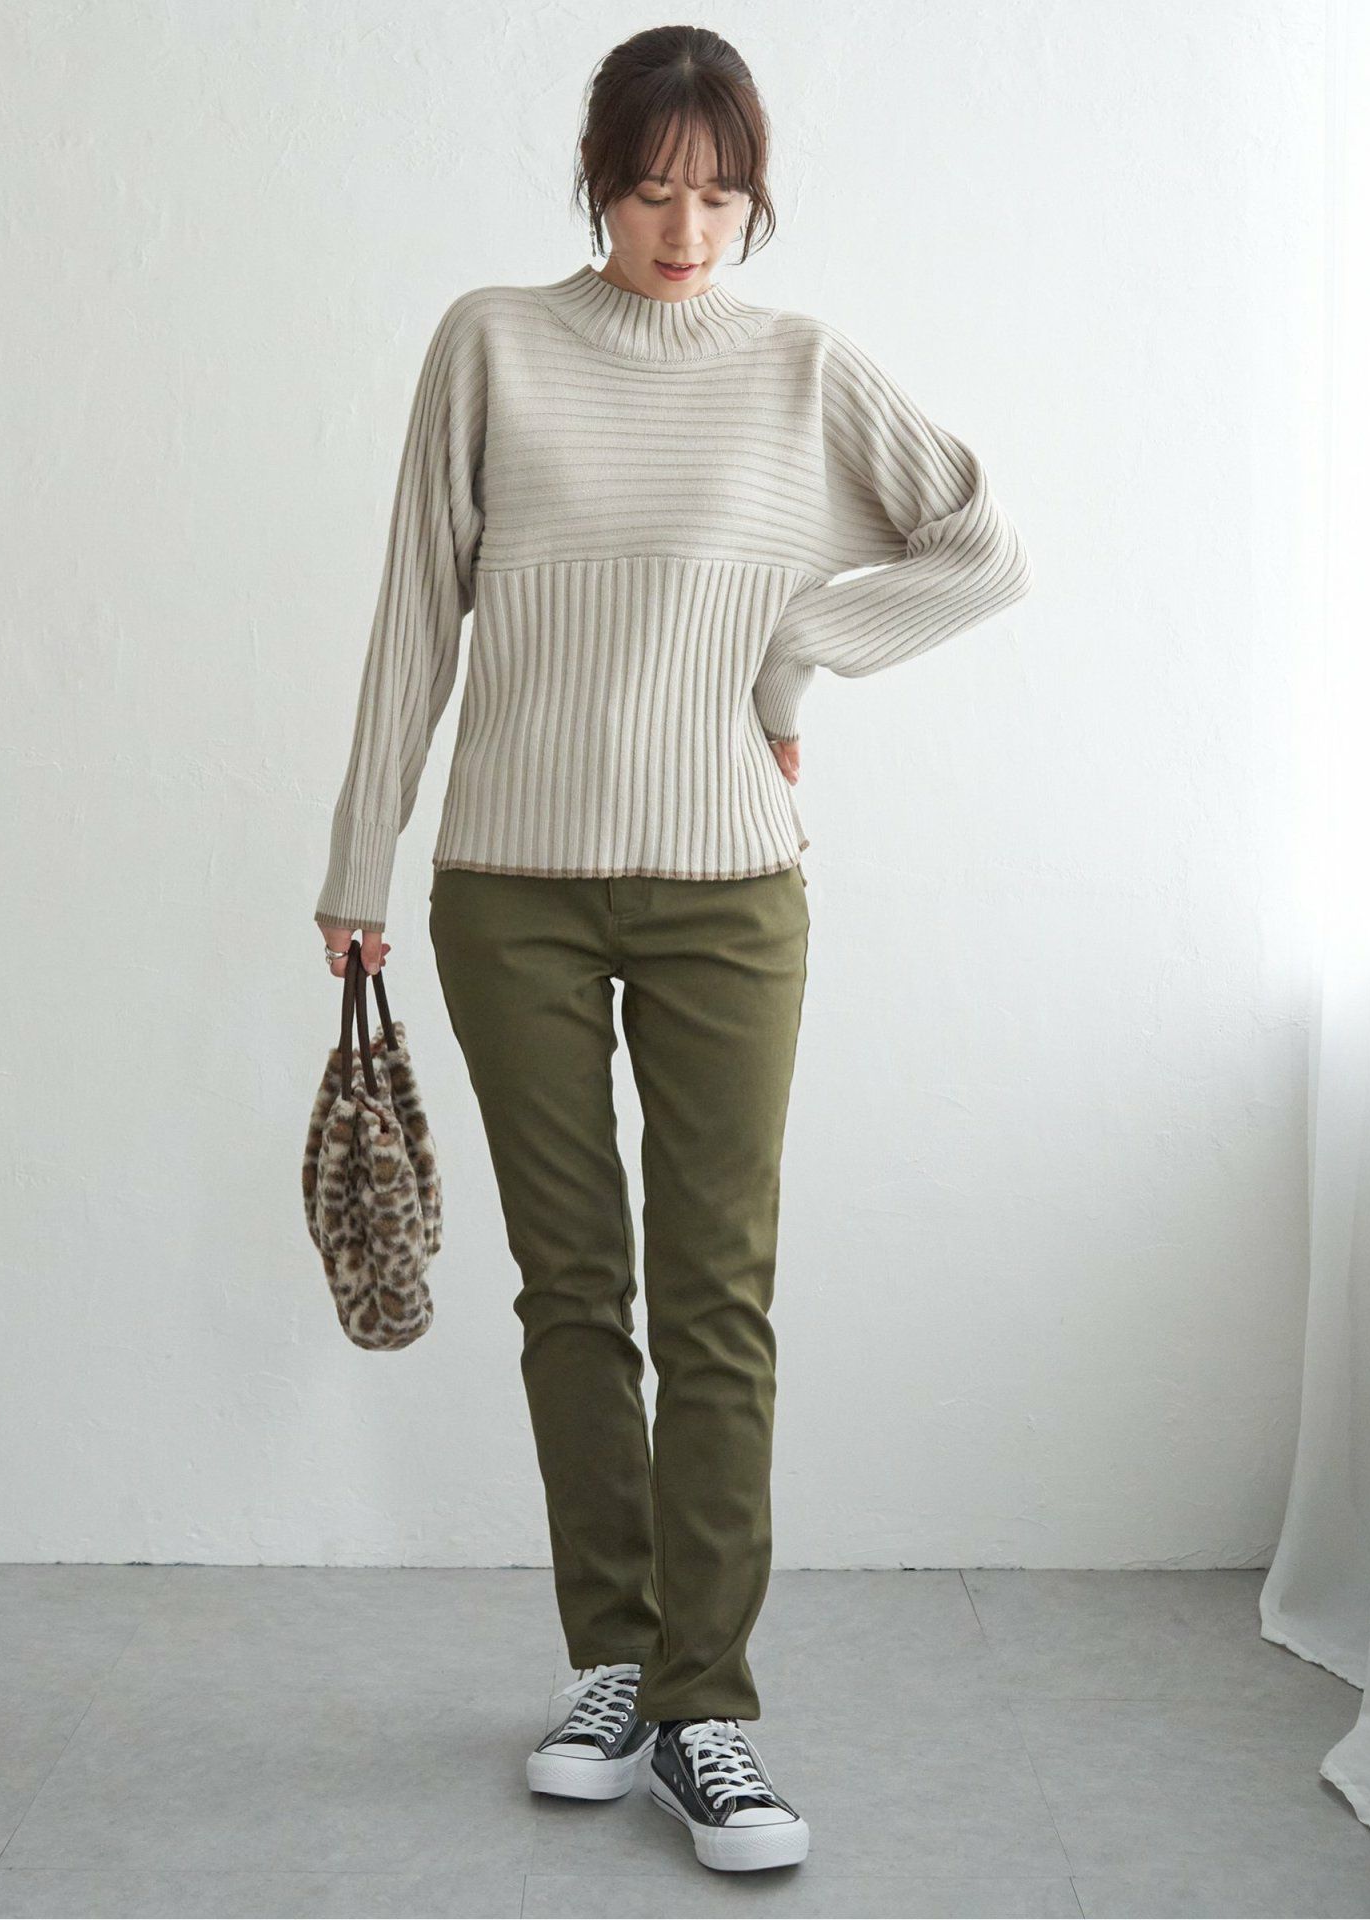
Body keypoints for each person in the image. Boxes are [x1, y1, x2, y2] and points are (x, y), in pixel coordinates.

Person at [312, 24, 1032, 1876]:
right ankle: (615, 1667)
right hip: (510, 889)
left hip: (730, 894)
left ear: (753, 198)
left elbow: (980, 545)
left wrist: (796, 655)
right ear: (598, 183)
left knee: (718, 1296)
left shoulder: (801, 373)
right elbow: (415, 611)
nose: (685, 229)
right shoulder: (492, 344)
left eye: (720, 195)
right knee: (573, 1291)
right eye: (650, 190)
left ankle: (710, 1709)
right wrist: (356, 856)